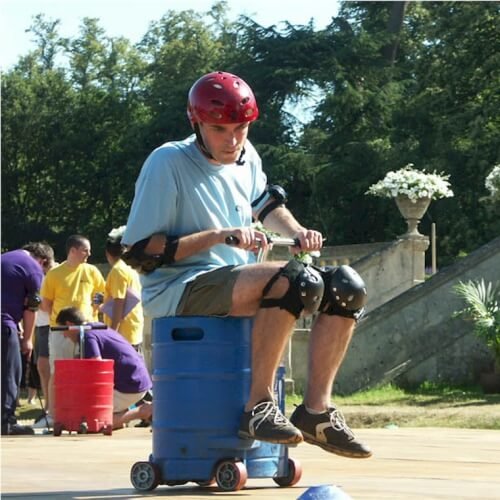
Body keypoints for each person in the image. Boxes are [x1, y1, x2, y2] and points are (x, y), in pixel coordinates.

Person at [122, 71, 371, 458]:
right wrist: (219, 235)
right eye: (220, 129)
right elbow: (138, 252)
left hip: (236, 282)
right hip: (181, 289)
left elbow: (267, 206)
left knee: (346, 286)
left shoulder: (246, 157)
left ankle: (315, 412)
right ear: (197, 123)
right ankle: (258, 406)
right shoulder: (167, 162)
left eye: (241, 128)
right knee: (293, 281)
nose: (233, 139)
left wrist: (298, 231)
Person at [36, 234, 105, 429]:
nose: (89, 254)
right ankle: (53, 414)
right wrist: (59, 322)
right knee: (58, 371)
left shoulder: (92, 271)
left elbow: (100, 294)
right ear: (73, 251)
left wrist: (98, 302)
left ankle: (83, 413)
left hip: (87, 330)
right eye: (85, 250)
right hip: (60, 331)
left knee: (86, 373)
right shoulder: (54, 274)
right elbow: (46, 303)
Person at [55, 307, 152, 429]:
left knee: (92, 421)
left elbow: (97, 368)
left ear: (69, 324)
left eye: (63, 331)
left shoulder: (88, 336)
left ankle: (142, 411)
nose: (64, 336)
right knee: (93, 415)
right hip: (136, 380)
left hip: (129, 386)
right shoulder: (97, 327)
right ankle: (122, 414)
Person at [1, 242, 55, 435]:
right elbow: (32, 306)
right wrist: (28, 339)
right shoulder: (33, 268)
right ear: (43, 261)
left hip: (7, 321)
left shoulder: (6, 259)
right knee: (10, 373)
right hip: (4, 324)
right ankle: (7, 422)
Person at [102, 226, 144, 352]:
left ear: (107, 253)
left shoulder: (117, 271)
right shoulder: (130, 267)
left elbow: (119, 302)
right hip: (132, 329)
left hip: (123, 333)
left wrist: (112, 333)